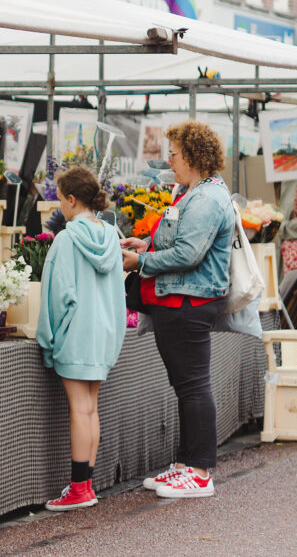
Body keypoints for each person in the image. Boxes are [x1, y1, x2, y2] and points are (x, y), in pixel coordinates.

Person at [120, 120, 235, 500]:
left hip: (189, 302)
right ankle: (188, 464)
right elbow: (180, 239)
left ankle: (200, 472)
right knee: (187, 386)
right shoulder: (198, 192)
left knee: (193, 386)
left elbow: (189, 253)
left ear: (193, 156)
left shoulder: (204, 199)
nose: (169, 161)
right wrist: (147, 243)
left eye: (173, 154)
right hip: (181, 300)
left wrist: (139, 261)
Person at [37, 166, 125, 512]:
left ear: (72, 200)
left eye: (60, 200)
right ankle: (85, 485)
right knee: (91, 408)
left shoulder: (67, 239)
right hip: (103, 336)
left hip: (75, 335)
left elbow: (55, 297)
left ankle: (78, 489)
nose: (59, 207)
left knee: (79, 409)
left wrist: (48, 341)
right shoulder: (111, 236)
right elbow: (119, 295)